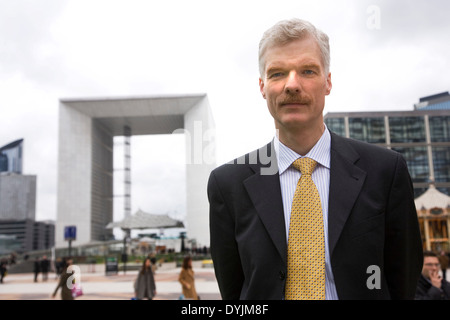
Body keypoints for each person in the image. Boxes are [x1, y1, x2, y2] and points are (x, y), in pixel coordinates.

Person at [208, 18, 423, 300]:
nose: (292, 85)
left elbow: (402, 278)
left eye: (307, 71)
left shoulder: (385, 171)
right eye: (277, 74)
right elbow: (234, 288)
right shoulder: (228, 184)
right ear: (262, 87)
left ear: (328, 82)